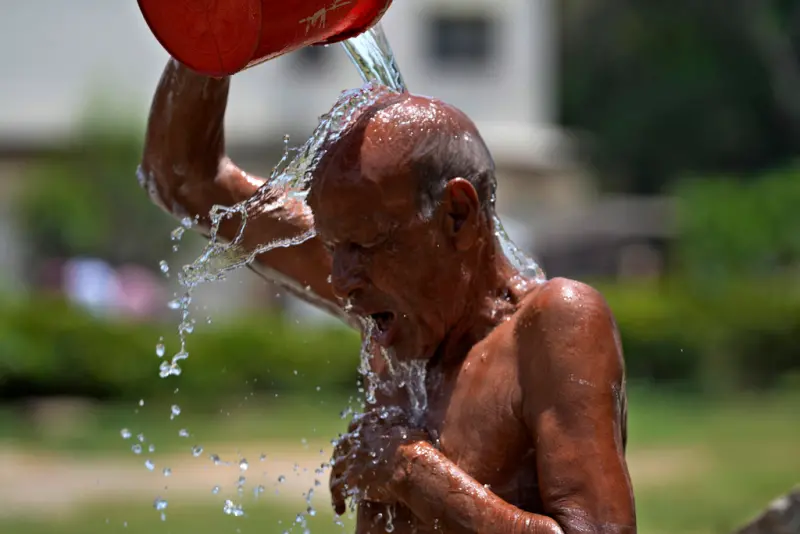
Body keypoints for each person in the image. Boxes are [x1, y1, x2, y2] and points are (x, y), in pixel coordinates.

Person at [139, 59, 637, 534]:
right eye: (334, 247)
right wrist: (215, 34)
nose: (340, 280)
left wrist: (410, 471)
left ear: (457, 216)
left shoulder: (551, 325)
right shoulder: (392, 309)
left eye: (365, 245)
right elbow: (184, 178)